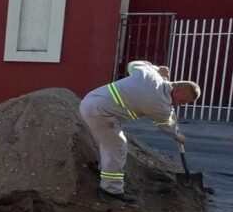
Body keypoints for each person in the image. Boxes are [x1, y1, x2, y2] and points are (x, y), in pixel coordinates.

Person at [79, 61, 200, 200]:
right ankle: (111, 189)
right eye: (182, 101)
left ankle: (103, 169)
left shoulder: (150, 74)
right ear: (177, 90)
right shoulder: (159, 104)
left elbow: (133, 64)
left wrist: (157, 69)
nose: (179, 104)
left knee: (107, 142)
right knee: (117, 147)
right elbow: (166, 124)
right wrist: (177, 136)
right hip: (101, 113)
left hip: (90, 100)